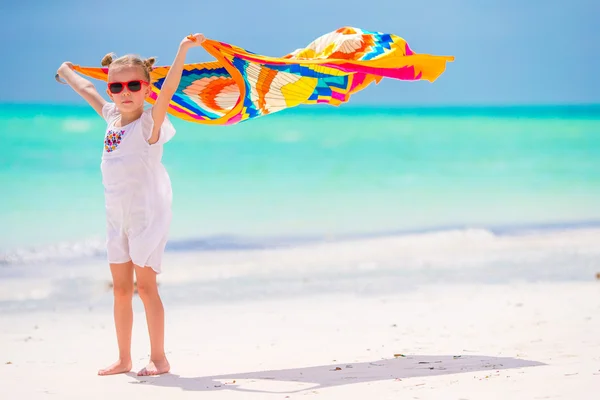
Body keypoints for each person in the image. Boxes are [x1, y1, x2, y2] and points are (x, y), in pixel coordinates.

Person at [56, 33, 206, 376]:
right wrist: (66, 71)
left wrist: (182, 49)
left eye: (134, 86)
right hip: (115, 220)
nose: (125, 93)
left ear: (147, 88)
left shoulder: (149, 125)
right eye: (117, 87)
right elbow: (88, 91)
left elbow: (168, 90)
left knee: (146, 289)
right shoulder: (111, 119)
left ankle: (158, 358)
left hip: (145, 219)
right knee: (121, 290)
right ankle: (124, 358)